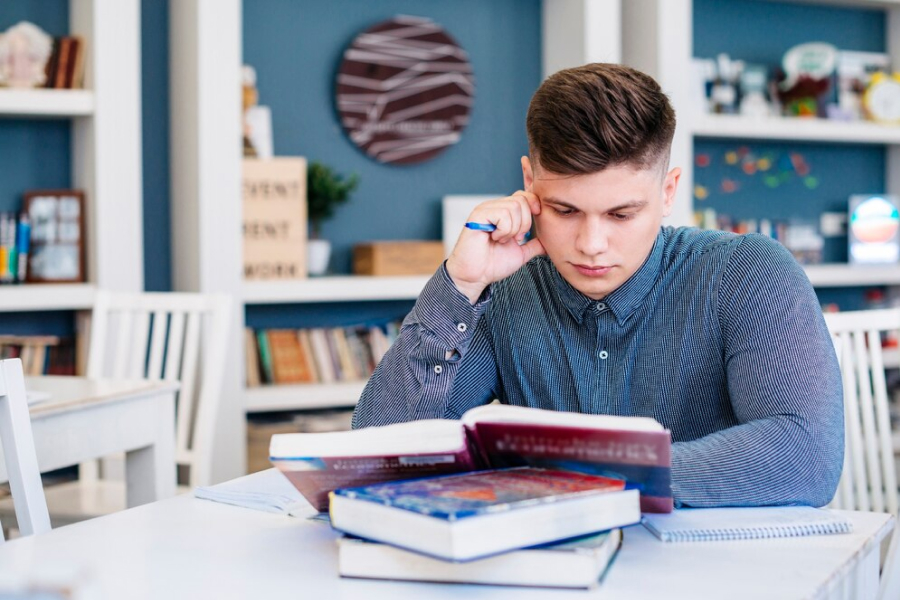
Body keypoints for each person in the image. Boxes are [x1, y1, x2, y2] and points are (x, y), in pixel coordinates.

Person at [352, 63, 843, 508]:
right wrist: (460, 287)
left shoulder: (747, 273)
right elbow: (378, 452)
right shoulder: (500, 290)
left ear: (668, 192)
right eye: (565, 210)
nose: (591, 244)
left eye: (621, 214)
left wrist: (591, 477)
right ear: (528, 180)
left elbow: (806, 455)